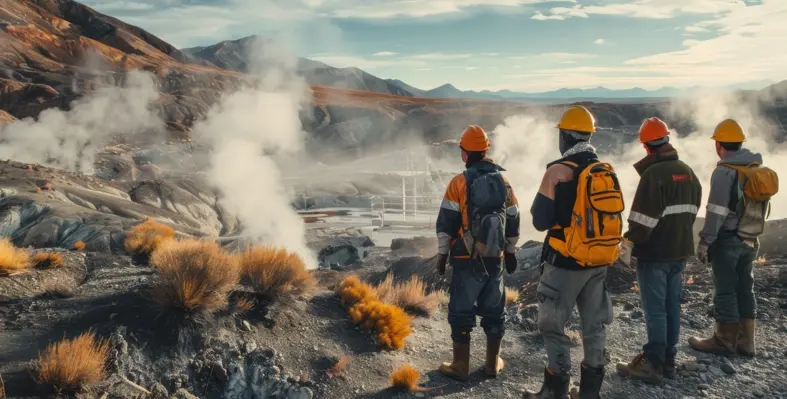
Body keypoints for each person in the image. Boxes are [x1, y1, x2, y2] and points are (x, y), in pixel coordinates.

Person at [526, 105, 622, 399]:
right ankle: (590, 392)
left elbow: (540, 220)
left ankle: (556, 390)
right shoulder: (604, 171)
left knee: (552, 325)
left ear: (565, 137)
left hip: (564, 263)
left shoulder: (557, 171)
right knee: (594, 325)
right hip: (597, 262)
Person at [615, 117, 702, 384]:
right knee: (671, 307)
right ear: (666, 140)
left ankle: (653, 363)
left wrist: (628, 242)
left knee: (655, 310)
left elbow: (641, 222)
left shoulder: (653, 175)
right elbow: (692, 211)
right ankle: (668, 362)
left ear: (645, 146)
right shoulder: (688, 171)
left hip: (655, 254)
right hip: (680, 249)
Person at [435, 124, 521, 381]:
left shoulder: (459, 182)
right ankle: (492, 364)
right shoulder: (504, 182)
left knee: (461, 310)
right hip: (496, 258)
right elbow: (513, 219)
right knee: (495, 310)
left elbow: (446, 224)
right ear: (485, 150)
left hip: (466, 257)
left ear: (465, 153)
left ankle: (460, 366)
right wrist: (511, 252)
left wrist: (442, 256)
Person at [688, 119, 778, 357]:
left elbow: (716, 211)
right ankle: (747, 342)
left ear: (718, 145)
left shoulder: (724, 172)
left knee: (725, 288)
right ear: (739, 144)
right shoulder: (755, 169)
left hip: (728, 239)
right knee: (745, 287)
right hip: (751, 238)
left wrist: (706, 241)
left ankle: (724, 340)